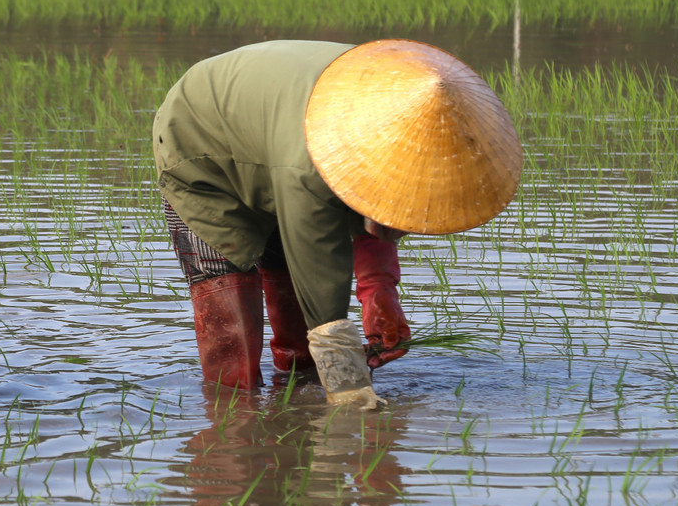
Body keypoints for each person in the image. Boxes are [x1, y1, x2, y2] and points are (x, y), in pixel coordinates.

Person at [152, 39, 522, 392]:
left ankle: (299, 397)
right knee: (234, 345)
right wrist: (351, 396)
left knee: (305, 352)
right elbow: (325, 306)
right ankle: (233, 433)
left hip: (277, 132)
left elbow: (377, 203)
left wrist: (379, 290)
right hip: (201, 139)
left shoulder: (403, 119)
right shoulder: (309, 171)